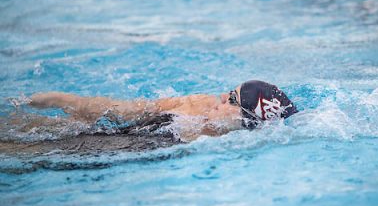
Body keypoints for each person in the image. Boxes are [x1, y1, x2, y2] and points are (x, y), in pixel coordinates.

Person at [28, 80, 298, 143]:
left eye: (231, 99)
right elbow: (126, 110)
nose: (220, 97)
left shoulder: (229, 145)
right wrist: (66, 100)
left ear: (247, 120)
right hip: (100, 135)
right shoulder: (197, 103)